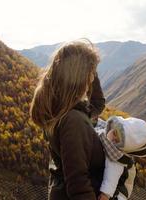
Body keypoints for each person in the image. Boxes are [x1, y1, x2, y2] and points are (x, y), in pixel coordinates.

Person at [29, 39, 106, 200]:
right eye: (91, 74)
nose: (92, 79)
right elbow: (78, 184)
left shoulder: (58, 111)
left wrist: (90, 68)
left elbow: (97, 105)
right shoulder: (73, 121)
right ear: (81, 76)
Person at [94, 116, 146, 200]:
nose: (112, 139)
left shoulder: (115, 156)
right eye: (115, 133)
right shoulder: (103, 127)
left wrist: (105, 194)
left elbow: (111, 178)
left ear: (123, 148)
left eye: (117, 141)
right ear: (114, 125)